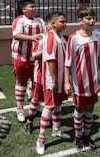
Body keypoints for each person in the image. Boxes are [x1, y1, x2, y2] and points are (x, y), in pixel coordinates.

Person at [64, 8, 100, 152]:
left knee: (90, 109)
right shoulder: (74, 38)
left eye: (93, 18)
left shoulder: (97, 35)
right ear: (80, 21)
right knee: (80, 109)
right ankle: (78, 138)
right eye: (88, 18)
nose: (92, 21)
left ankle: (86, 136)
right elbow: (68, 62)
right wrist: (66, 81)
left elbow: (98, 57)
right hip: (80, 82)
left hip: (93, 81)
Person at [35, 12, 70, 155]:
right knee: (49, 107)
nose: (65, 23)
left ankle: (56, 131)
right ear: (53, 24)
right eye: (61, 21)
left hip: (61, 80)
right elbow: (50, 60)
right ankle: (41, 140)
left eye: (65, 21)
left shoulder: (61, 38)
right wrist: (54, 80)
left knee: (58, 105)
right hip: (52, 80)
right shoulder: (50, 37)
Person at [11, 0, 45, 123]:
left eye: (35, 6)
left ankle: (36, 103)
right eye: (32, 6)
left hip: (36, 57)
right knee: (21, 82)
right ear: (24, 9)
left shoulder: (40, 21)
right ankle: (19, 109)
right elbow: (17, 35)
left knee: (36, 82)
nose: (34, 8)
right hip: (21, 57)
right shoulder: (19, 20)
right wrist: (32, 37)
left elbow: (44, 34)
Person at [24, 14, 52, 134]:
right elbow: (34, 55)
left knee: (51, 100)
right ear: (46, 25)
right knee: (35, 99)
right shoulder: (41, 37)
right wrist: (47, 49)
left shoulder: (58, 38)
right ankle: (29, 122)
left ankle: (53, 125)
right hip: (40, 74)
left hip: (52, 74)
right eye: (51, 23)